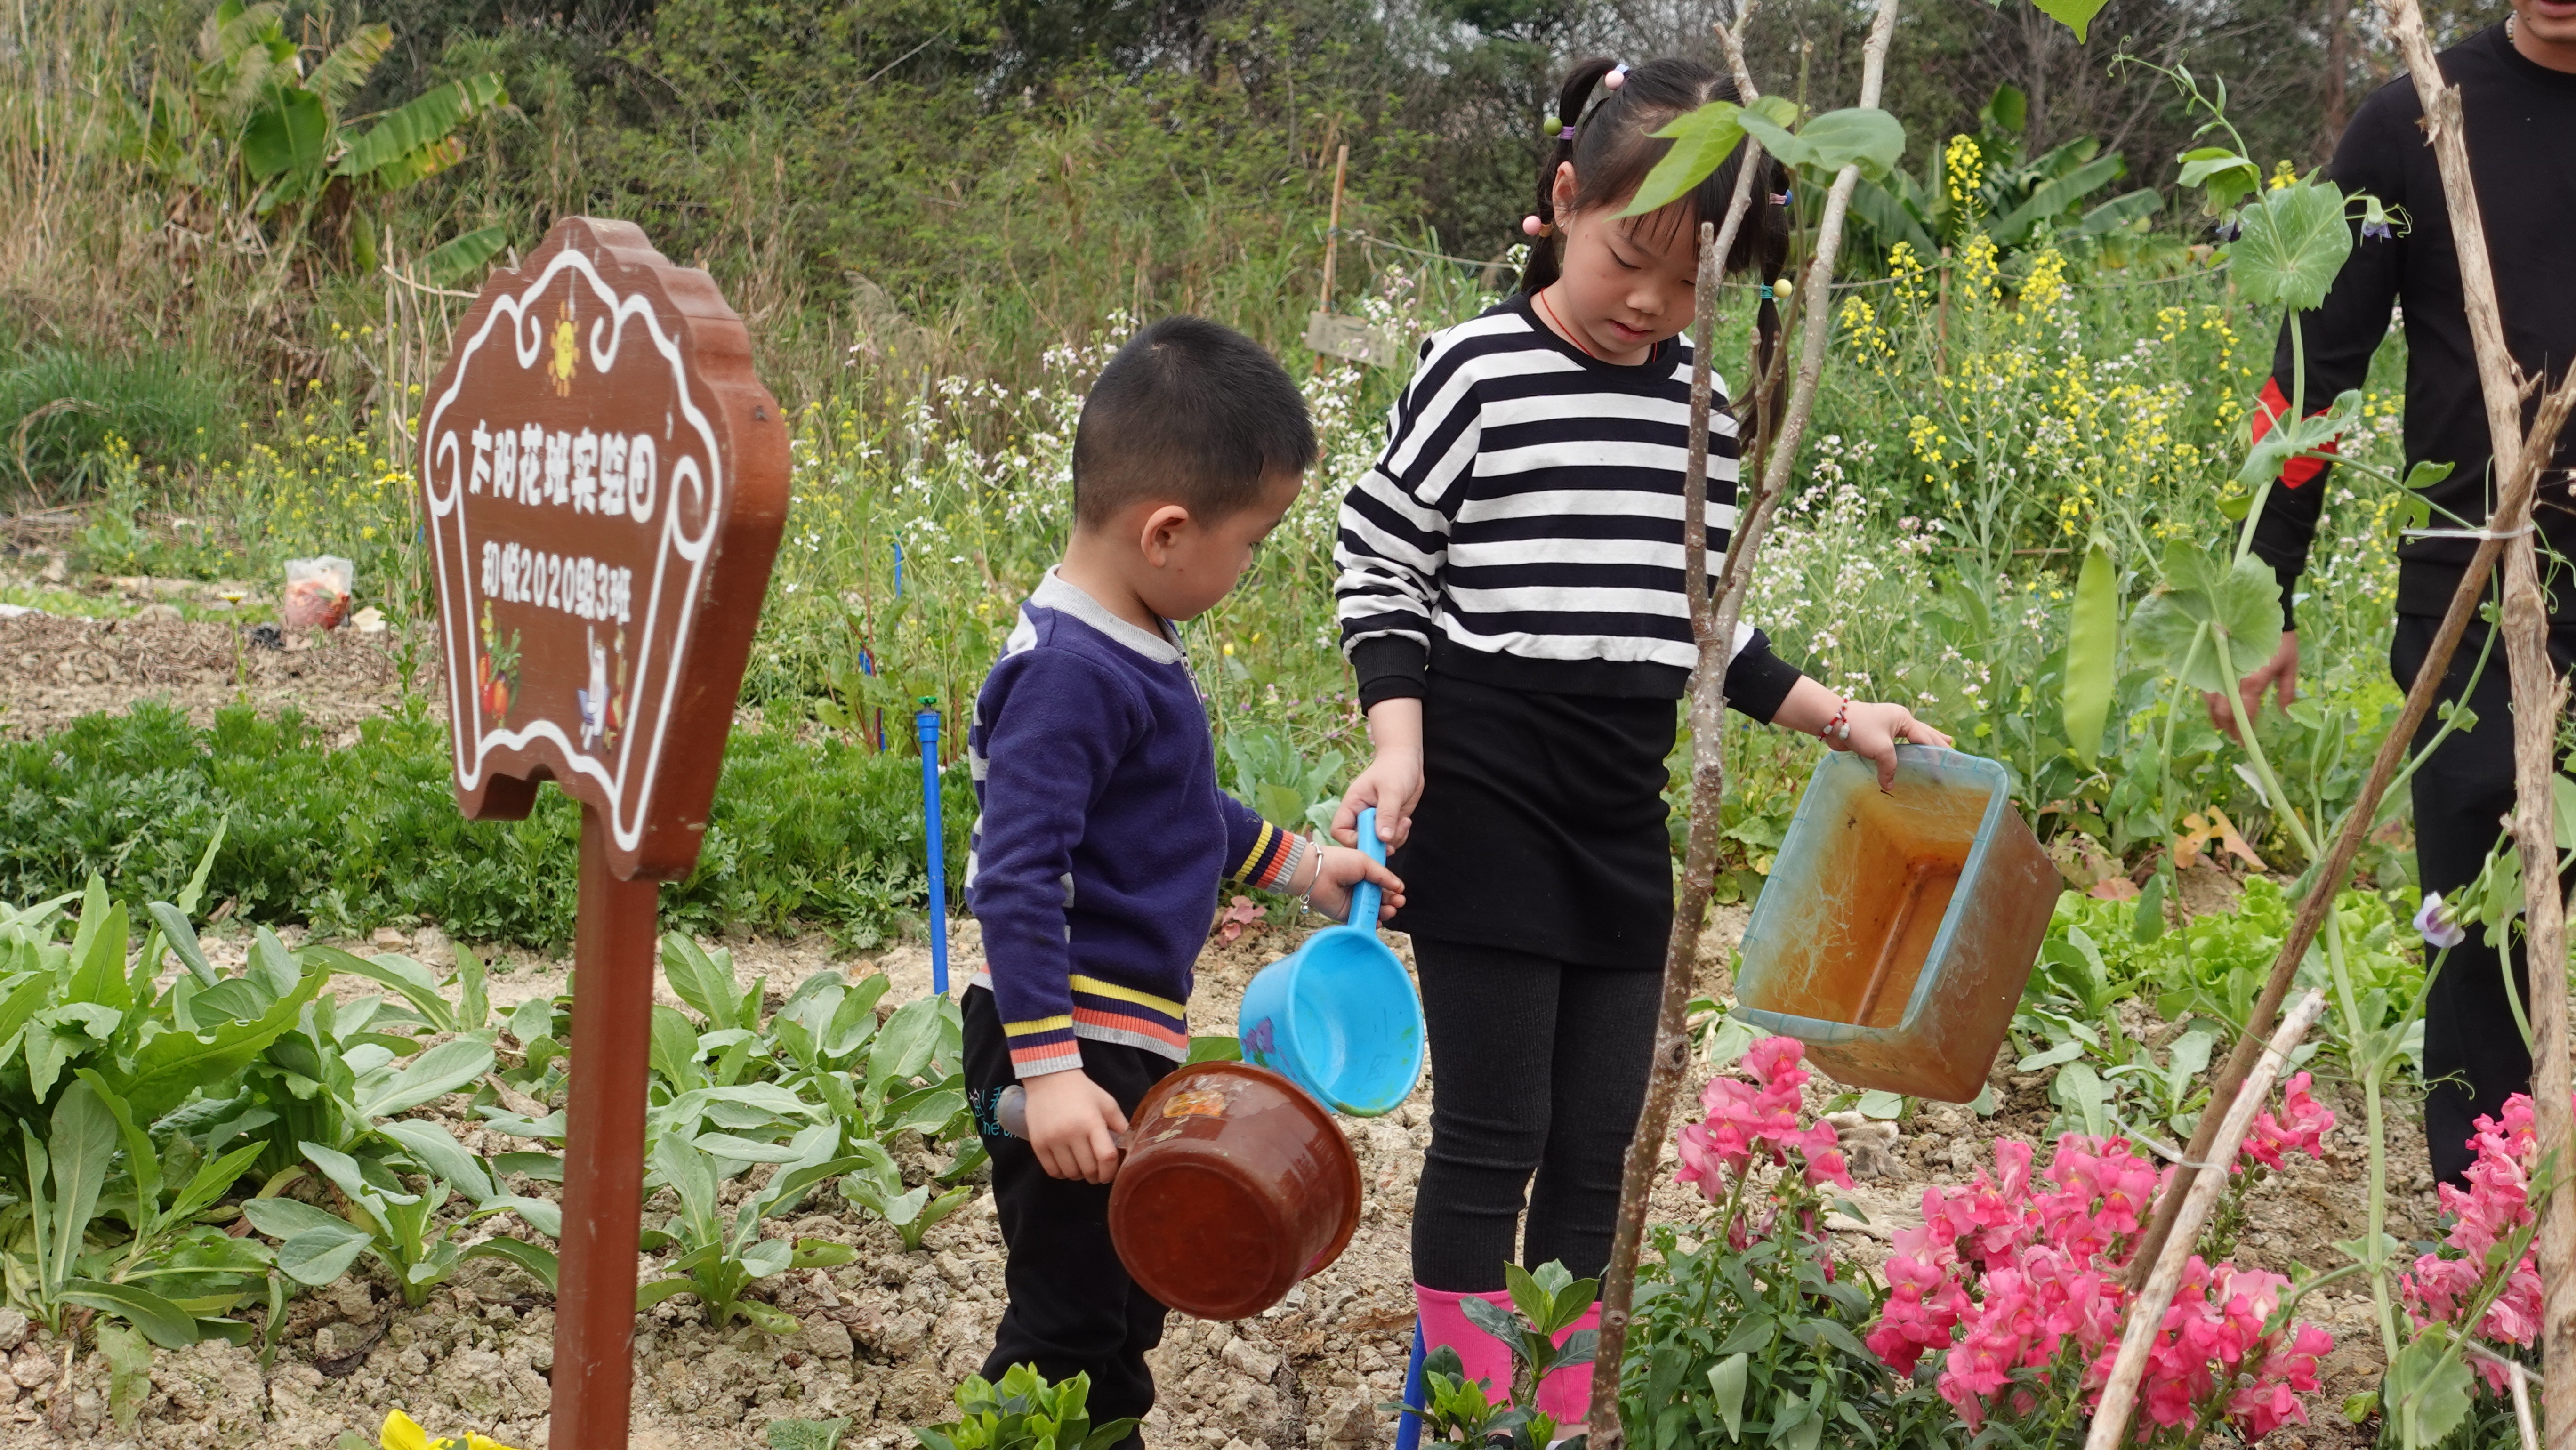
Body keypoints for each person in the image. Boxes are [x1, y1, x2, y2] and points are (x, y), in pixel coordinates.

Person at [1329, 55, 1948, 1434]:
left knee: (1598, 1144)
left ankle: (1546, 1408)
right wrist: (1399, 736)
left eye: (1694, 286)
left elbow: (1706, 629)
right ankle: (1463, 1412)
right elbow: (1381, 555)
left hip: (1621, 815)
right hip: (1482, 793)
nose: (1654, 307)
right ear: (1565, 201)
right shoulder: (1477, 369)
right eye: (1632, 259)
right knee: (1495, 1135)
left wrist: (1843, 718)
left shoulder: (1705, 411)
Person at [961, 315, 1403, 1442]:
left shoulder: (1132, 644)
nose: (1251, 566)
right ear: (1167, 531)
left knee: (1121, 1305)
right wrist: (1048, 1071)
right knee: (1066, 1325)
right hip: (1068, 1039)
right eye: (1254, 540)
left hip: (1118, 1040)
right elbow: (1017, 879)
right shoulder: (1071, 672)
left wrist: (1306, 867)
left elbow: (1177, 815)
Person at [2215, 0, 2576, 1188]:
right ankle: (2490, 1283)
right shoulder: (2414, 121)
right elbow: (2312, 373)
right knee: (2478, 941)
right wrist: (2260, 592)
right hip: (2471, 590)